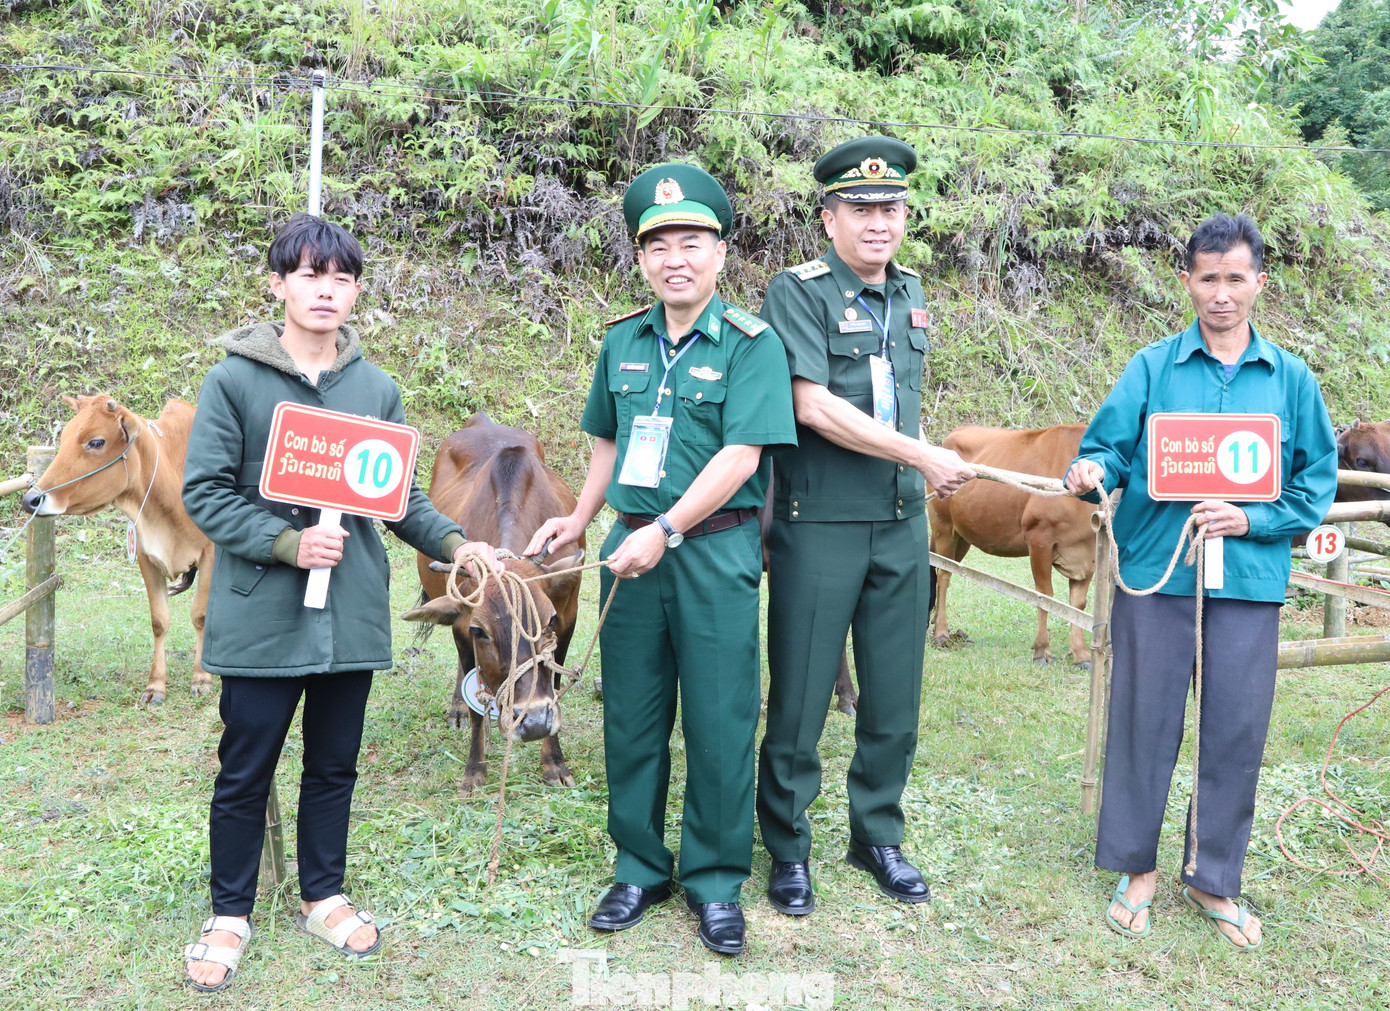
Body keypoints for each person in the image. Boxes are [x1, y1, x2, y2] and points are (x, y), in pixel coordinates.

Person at [180, 213, 499, 991]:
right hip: (262, 615)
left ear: (356, 290)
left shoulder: (374, 388)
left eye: (342, 277)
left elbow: (397, 498)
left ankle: (324, 894)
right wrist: (287, 544)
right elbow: (204, 493)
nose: (326, 290)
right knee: (244, 766)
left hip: (347, 614)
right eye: (310, 275)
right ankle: (229, 913)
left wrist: (457, 543)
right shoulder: (233, 381)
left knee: (333, 766)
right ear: (277, 283)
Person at [525, 164, 797, 955]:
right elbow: (608, 441)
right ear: (641, 258)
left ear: (720, 252)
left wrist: (667, 531)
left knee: (719, 719)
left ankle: (715, 880)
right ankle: (639, 866)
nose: (675, 258)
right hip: (628, 551)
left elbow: (741, 457)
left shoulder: (753, 345)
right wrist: (579, 519)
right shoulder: (622, 340)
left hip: (710, 553)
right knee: (633, 717)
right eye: (658, 245)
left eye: (692, 242)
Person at [1064, 213, 1336, 950]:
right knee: (1144, 717)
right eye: (1208, 278)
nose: (1222, 294)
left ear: (1259, 283)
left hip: (1248, 579)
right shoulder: (1152, 368)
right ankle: (1136, 868)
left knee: (1236, 728)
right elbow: (1103, 451)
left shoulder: (1291, 379)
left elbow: (1315, 479)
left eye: (1235, 278)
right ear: (1186, 281)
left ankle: (1213, 873)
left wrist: (1255, 520)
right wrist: (1090, 472)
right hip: (1159, 569)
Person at [755, 136, 976, 916]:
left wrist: (918, 460)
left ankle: (876, 832)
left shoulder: (911, 291)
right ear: (828, 216)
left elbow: (896, 400)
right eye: (860, 209)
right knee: (803, 695)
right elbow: (811, 405)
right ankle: (787, 845)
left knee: (894, 694)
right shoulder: (799, 291)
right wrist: (922, 454)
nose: (878, 223)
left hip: (900, 523)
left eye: (891, 208)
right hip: (821, 522)